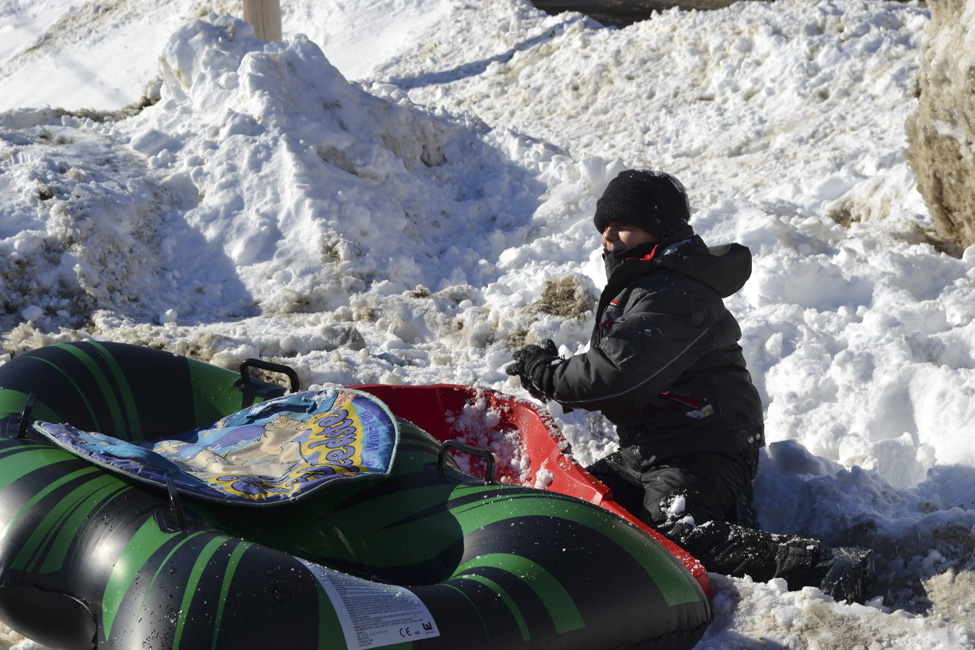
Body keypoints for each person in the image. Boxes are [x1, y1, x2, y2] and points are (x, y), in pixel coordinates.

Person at [505, 169, 873, 602]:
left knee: (670, 539)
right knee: (572, 504)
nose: (608, 237)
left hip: (705, 446)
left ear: (658, 231)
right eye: (603, 227)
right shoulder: (642, 286)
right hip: (651, 447)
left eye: (623, 225)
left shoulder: (673, 294)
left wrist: (546, 373)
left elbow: (615, 376)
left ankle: (825, 565)